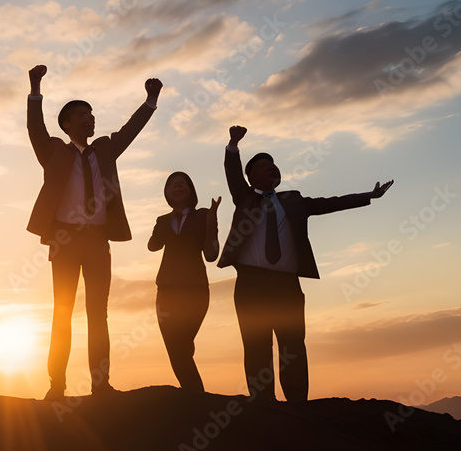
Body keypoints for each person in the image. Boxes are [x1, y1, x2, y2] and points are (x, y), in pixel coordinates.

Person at [219, 125, 394, 401]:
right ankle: (263, 405)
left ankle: (298, 404)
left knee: (293, 346)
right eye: (263, 166)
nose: (271, 169)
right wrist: (233, 145)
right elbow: (232, 174)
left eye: (273, 165)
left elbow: (330, 203)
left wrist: (367, 196)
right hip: (251, 285)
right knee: (256, 346)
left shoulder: (294, 200)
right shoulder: (245, 198)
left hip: (287, 286)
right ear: (250, 178)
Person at [25, 65, 163, 399]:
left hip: (98, 239)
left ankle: (100, 384)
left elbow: (129, 131)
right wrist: (35, 86)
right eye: (83, 115)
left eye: (92, 114)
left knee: (98, 313)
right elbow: (35, 128)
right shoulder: (54, 150)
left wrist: (150, 100)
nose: (90, 118)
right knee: (63, 312)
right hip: (65, 239)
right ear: (68, 124)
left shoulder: (105, 149)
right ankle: (56, 386)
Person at [147, 172, 220, 393]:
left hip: (195, 290)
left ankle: (196, 397)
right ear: (167, 193)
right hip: (167, 290)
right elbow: (152, 246)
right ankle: (195, 395)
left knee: (183, 345)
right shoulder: (163, 221)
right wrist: (161, 228)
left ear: (190, 189)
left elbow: (211, 255)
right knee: (175, 347)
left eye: (182, 184)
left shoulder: (204, 216)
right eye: (172, 185)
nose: (177, 187)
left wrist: (212, 224)